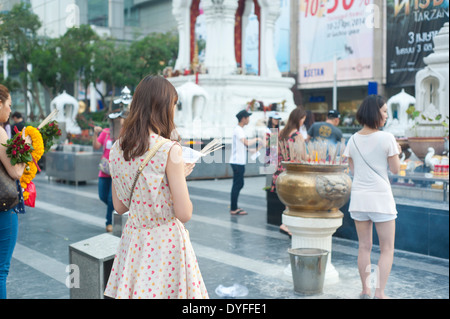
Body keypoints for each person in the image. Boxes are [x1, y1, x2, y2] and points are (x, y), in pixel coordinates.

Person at [104, 75, 208, 299]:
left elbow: (120, 206)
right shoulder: (169, 149)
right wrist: (179, 176)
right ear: (162, 106)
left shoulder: (117, 148)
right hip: (165, 244)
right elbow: (184, 213)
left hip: (133, 242)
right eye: (173, 105)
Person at [343, 95, 401, 299]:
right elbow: (395, 170)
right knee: (386, 248)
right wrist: (397, 153)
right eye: (384, 111)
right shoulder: (387, 138)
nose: (386, 115)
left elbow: (352, 171)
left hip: (359, 199)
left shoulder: (352, 139)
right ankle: (380, 293)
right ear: (375, 112)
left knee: (364, 247)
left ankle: (365, 290)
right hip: (381, 199)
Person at [0, 84, 29, 299]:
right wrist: (25, 148)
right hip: (3, 208)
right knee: (1, 270)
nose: (10, 110)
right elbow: (16, 171)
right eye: (8, 105)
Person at [271, 106, 307, 236]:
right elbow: (303, 156)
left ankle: (285, 224)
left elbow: (273, 152)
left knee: (287, 200)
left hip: (280, 171)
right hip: (292, 172)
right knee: (293, 201)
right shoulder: (298, 136)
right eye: (303, 119)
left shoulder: (280, 133)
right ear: (298, 119)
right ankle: (287, 225)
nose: (303, 122)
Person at [229, 109, 261, 216]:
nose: (249, 120)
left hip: (239, 162)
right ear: (243, 118)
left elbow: (248, 148)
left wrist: (260, 146)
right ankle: (233, 208)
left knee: (238, 184)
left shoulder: (240, 130)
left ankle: (234, 207)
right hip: (237, 162)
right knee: (237, 185)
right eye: (248, 117)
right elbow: (246, 143)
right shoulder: (238, 130)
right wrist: (257, 139)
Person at [93, 125, 114, 232]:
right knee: (102, 196)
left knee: (111, 199)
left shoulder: (125, 133)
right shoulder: (106, 132)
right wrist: (95, 134)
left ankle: (109, 222)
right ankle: (116, 211)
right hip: (105, 169)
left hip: (117, 172)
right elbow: (96, 146)